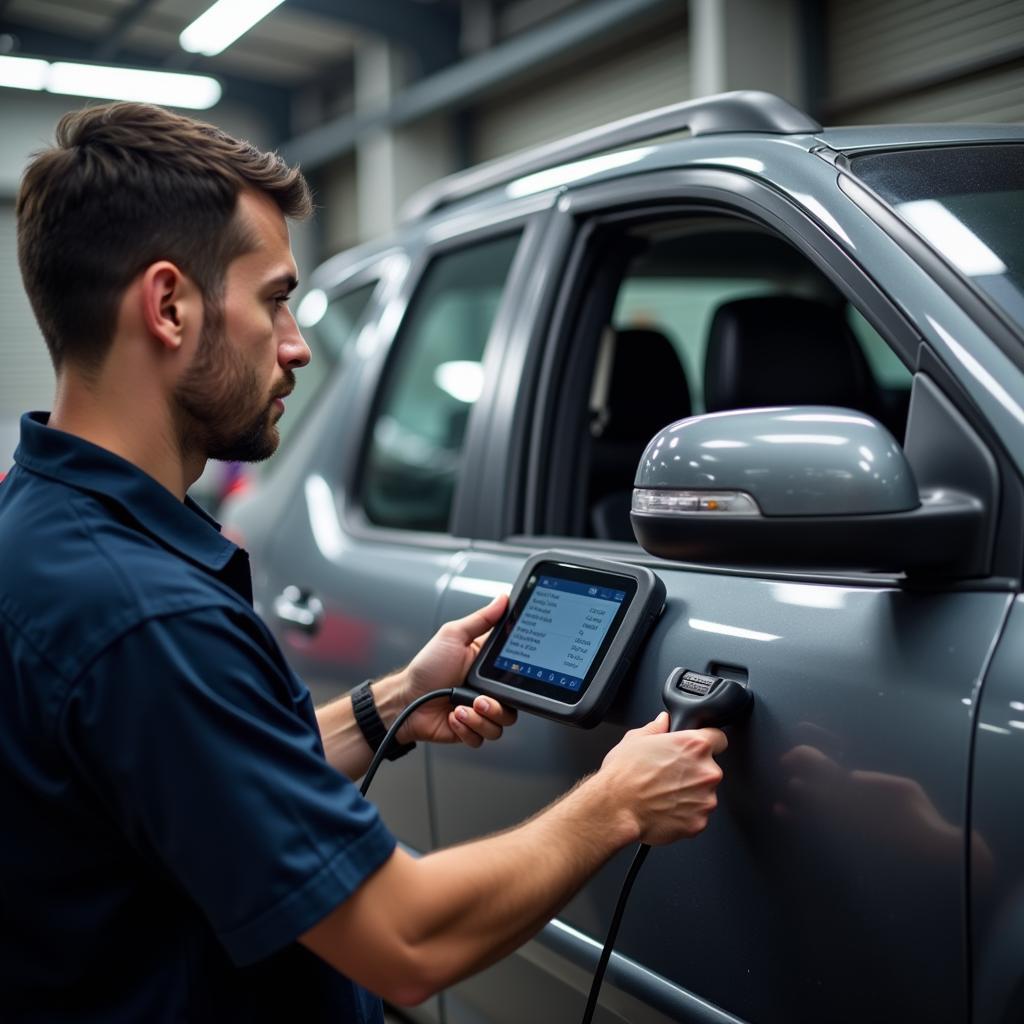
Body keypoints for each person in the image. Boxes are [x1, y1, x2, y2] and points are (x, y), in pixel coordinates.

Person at [0, 103, 727, 1023]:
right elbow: (405, 940)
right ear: (170, 305)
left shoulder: (42, 529)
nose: (298, 344)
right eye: (273, 299)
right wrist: (615, 804)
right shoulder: (145, 618)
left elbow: (206, 784)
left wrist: (393, 704)